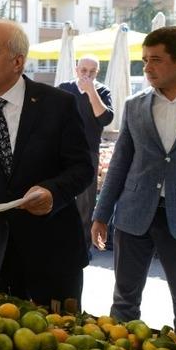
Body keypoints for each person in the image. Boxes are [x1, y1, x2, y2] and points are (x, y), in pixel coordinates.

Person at [90, 27, 176, 336]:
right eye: (144, 60)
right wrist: (101, 214)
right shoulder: (135, 104)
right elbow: (120, 162)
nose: (148, 68)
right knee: (124, 299)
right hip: (133, 213)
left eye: (156, 59)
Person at [0, 19, 93, 306]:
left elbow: (82, 169)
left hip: (53, 253)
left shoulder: (59, 105)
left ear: (18, 62)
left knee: (61, 342)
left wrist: (53, 192)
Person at [57, 55, 114, 255]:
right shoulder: (65, 88)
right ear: (76, 70)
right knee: (60, 197)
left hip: (88, 152)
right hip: (61, 151)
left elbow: (105, 118)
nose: (87, 75)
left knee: (85, 203)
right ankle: (61, 243)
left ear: (97, 73)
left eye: (92, 72)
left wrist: (91, 91)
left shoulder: (102, 91)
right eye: (83, 71)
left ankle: (82, 248)